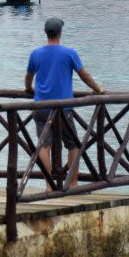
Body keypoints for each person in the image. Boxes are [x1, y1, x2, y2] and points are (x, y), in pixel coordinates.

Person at [24, 18, 104, 188]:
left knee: (44, 145)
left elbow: (29, 76)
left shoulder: (36, 53)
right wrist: (98, 90)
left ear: (46, 33)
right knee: (73, 144)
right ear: (60, 33)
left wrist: (28, 88)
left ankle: (48, 185)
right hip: (63, 108)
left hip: (40, 106)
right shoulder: (70, 53)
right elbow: (85, 76)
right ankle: (72, 182)